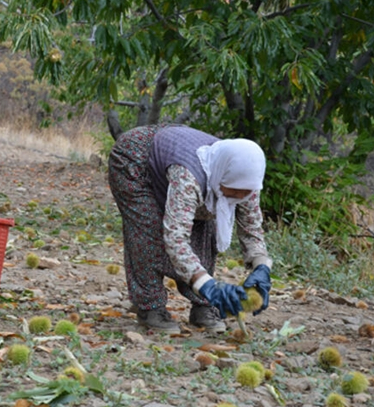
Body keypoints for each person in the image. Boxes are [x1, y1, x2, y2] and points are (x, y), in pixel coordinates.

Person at [108, 125, 272, 333]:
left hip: (174, 161)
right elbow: (176, 238)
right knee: (148, 232)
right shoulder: (189, 177)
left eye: (246, 192)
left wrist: (262, 267)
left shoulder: (245, 181)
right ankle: (150, 307)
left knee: (204, 233)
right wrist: (208, 285)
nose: (241, 197)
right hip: (135, 161)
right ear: (222, 176)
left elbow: (251, 227)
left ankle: (203, 307)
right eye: (236, 190)